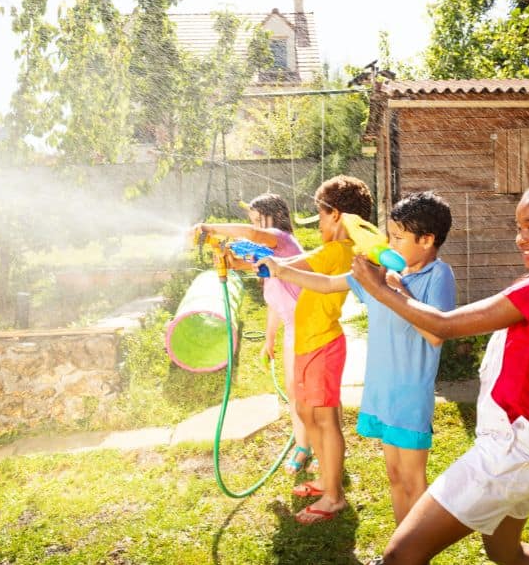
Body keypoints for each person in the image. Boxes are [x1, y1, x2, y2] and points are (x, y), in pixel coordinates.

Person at [352, 173, 529, 565]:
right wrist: (396, 290)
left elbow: (444, 325)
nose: (521, 238)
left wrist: (381, 289)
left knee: (400, 558)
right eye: (519, 227)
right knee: (506, 553)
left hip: (511, 449)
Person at [259, 191, 456, 539]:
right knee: (395, 478)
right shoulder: (380, 272)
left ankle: (418, 557)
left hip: (410, 396)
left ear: (426, 241)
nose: (389, 244)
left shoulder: (438, 276)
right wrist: (281, 270)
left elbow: (436, 333)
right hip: (380, 392)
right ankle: (401, 553)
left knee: (413, 480)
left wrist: (392, 289)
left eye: (398, 238)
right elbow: (326, 284)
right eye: (389, 235)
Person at [268, 175, 373, 525]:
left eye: (321, 215)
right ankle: (326, 480)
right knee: (307, 412)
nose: (319, 224)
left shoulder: (338, 251)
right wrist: (251, 260)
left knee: (325, 419)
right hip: (308, 343)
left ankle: (334, 497)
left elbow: (294, 269)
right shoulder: (334, 250)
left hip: (323, 345)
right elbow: (285, 268)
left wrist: (270, 264)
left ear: (337, 216)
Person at [190, 193, 316, 475]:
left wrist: (209, 227)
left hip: (310, 327)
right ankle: (303, 446)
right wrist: (269, 339)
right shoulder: (270, 258)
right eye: (253, 220)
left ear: (274, 218)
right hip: (295, 328)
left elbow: (251, 234)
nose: (255, 226)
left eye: (260, 220)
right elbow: (274, 302)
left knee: (309, 394)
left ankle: (321, 447)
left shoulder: (280, 238)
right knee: (295, 394)